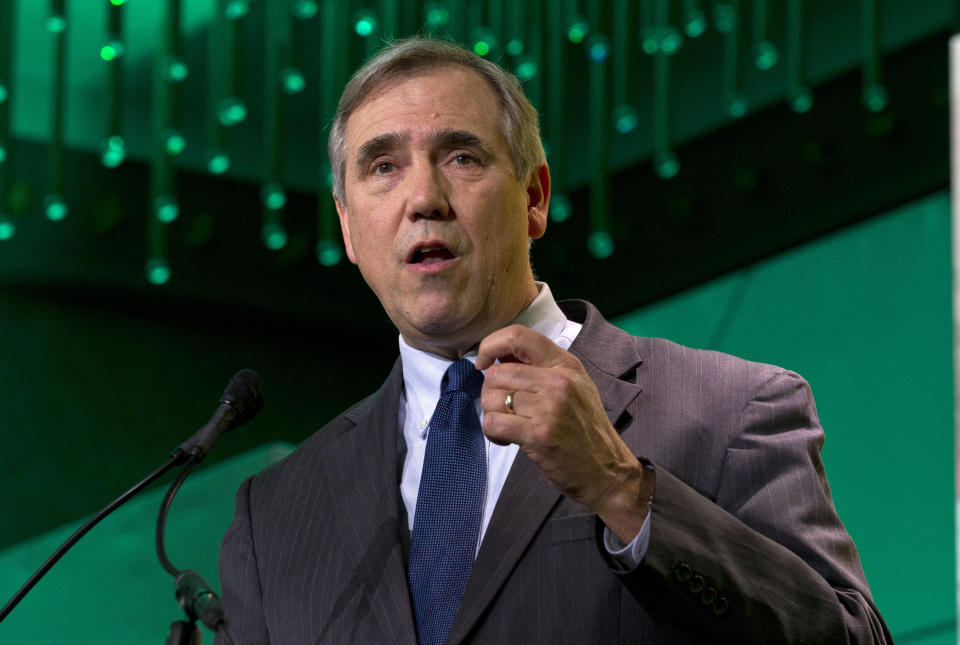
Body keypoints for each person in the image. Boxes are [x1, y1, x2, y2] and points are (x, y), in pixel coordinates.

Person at [217, 37, 890, 644]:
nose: (423, 196)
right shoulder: (274, 514)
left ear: (534, 197)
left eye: (461, 155)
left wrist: (622, 488)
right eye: (383, 167)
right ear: (347, 227)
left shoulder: (730, 409)